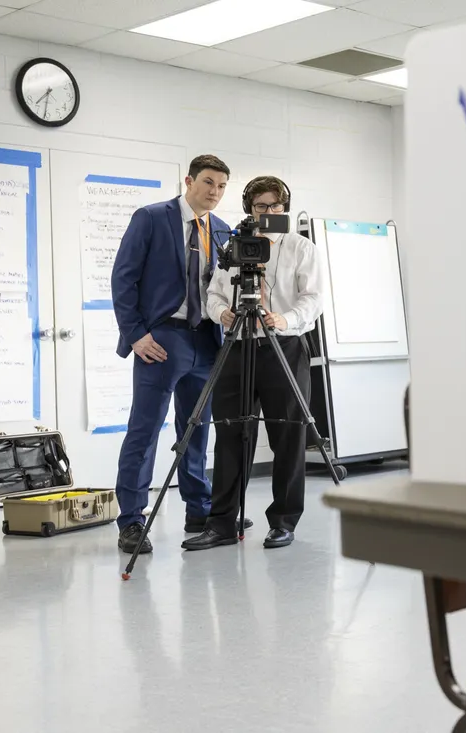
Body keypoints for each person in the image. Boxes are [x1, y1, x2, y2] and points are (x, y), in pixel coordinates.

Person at [110, 154, 249, 554]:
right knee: (145, 429)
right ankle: (132, 520)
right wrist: (135, 335)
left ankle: (198, 508)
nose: (214, 192)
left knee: (197, 430)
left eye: (222, 186)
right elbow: (123, 277)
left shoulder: (222, 231)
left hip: (207, 340)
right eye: (208, 182)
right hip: (162, 339)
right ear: (188, 180)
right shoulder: (151, 218)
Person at [182, 175, 323, 551]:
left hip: (284, 346)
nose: (268, 212)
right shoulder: (232, 246)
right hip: (239, 346)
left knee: (288, 436)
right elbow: (213, 292)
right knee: (230, 434)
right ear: (249, 209)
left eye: (275, 206)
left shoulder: (300, 247)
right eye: (261, 206)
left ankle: (283, 521)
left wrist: (284, 318)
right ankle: (222, 523)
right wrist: (222, 313)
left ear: (284, 208)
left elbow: (313, 300)